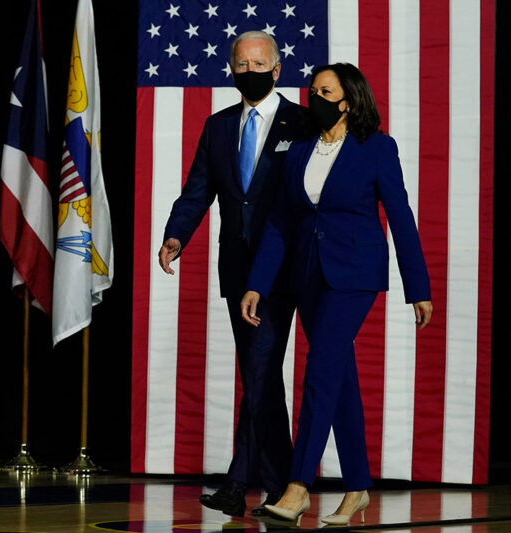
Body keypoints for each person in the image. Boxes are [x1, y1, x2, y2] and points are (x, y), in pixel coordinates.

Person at [240, 63, 433, 526]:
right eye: (312, 90)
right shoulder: (301, 147)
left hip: (355, 275)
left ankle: (298, 484)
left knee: (319, 371)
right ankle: (357, 489)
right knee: (338, 378)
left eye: (325, 91)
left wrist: (418, 287)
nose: (315, 98)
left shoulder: (377, 148)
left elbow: (401, 218)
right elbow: (282, 222)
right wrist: (257, 283)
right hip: (308, 276)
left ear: (348, 100)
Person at [158, 31, 303, 517]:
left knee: (261, 370)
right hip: (236, 271)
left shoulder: (300, 123)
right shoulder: (218, 126)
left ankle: (238, 483)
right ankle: (283, 484)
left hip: (282, 271)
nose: (250, 71)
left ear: (278, 69)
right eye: (242, 64)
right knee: (260, 376)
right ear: (231, 69)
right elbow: (198, 190)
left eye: (259, 63)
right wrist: (177, 235)